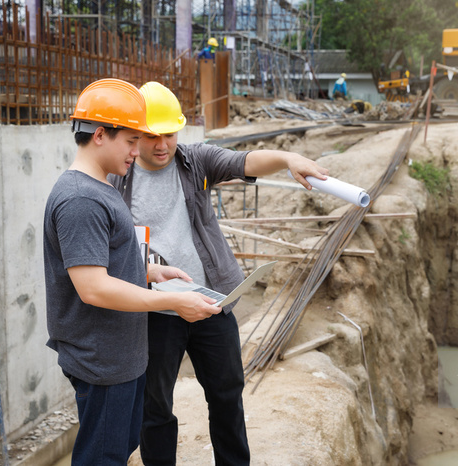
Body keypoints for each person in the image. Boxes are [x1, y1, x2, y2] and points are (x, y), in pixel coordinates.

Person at [108, 81, 329, 466]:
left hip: (212, 302)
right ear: (133, 135)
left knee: (227, 394)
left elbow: (243, 161)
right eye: (150, 136)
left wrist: (287, 158)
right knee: (154, 407)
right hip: (156, 311)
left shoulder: (195, 161)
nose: (162, 145)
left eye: (170, 134)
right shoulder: (115, 180)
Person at [43, 78, 222, 465]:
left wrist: (147, 273)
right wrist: (174, 301)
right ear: (101, 135)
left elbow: (104, 265)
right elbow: (93, 288)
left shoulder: (101, 188)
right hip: (102, 360)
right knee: (102, 457)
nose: (137, 150)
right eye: (130, 141)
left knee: (118, 449)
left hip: (120, 357)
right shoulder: (81, 200)